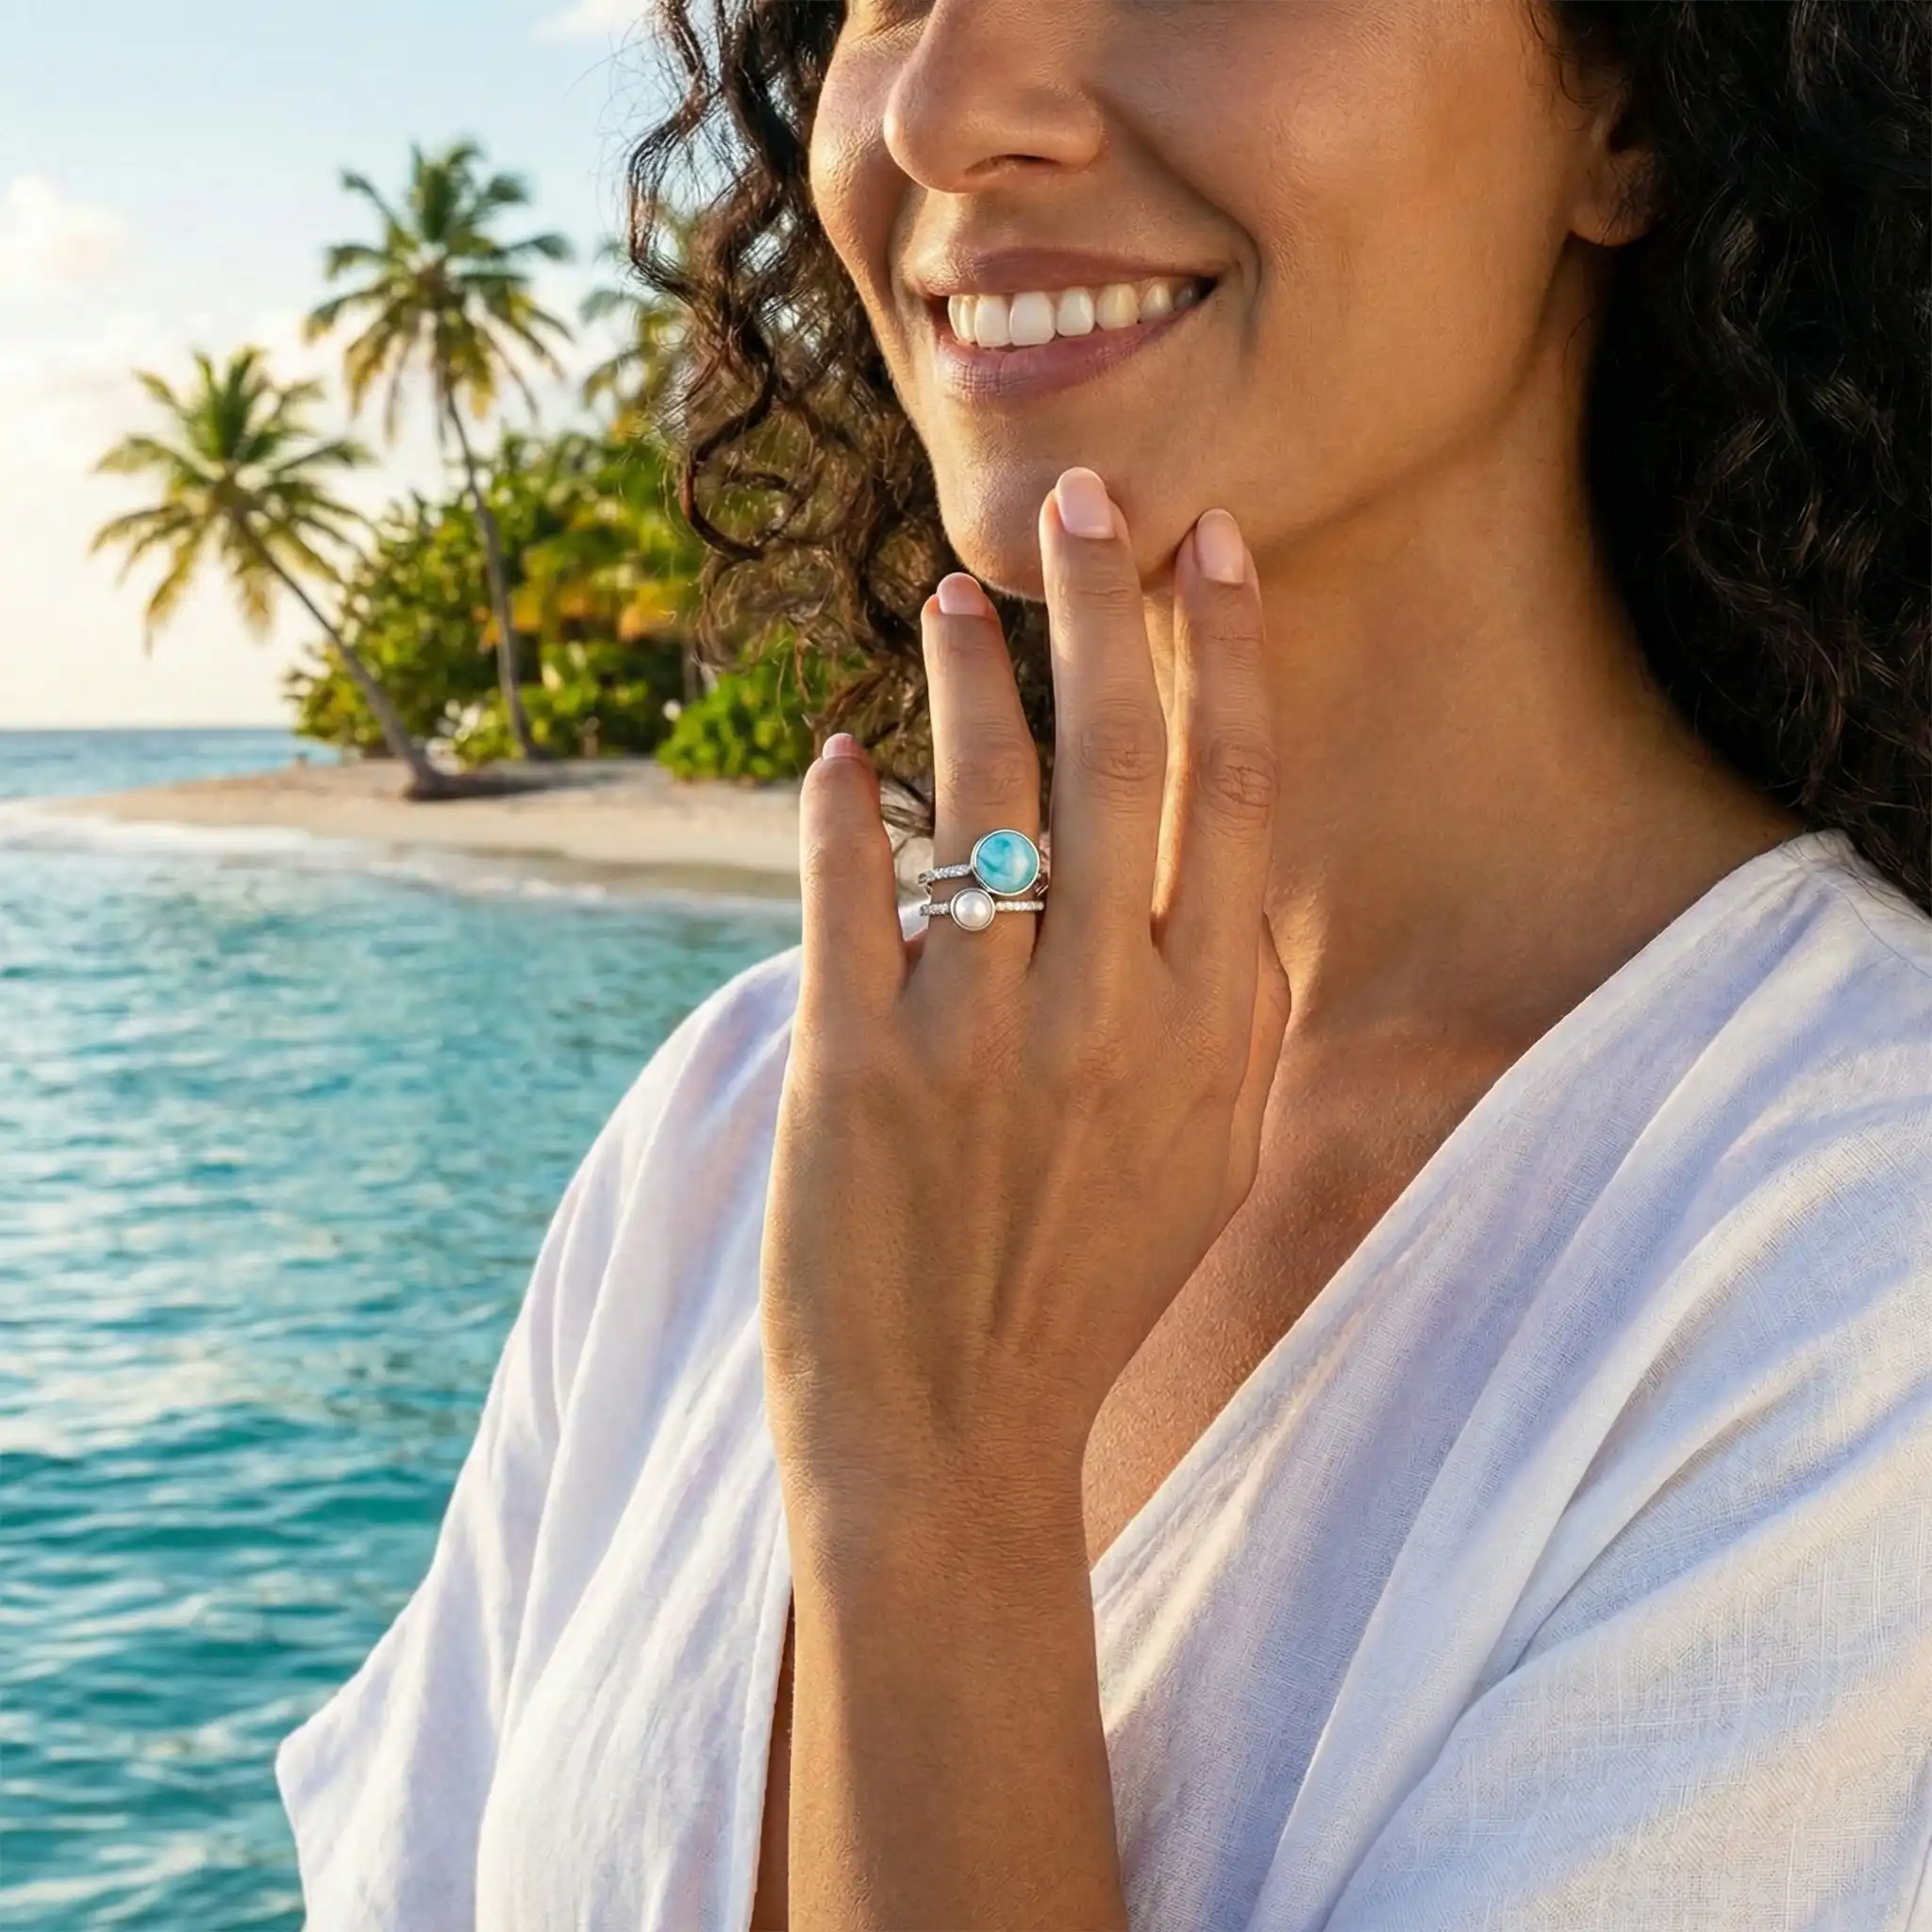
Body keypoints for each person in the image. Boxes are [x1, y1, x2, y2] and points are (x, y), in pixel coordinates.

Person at [276, 1, 1932, 1925]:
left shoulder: (1852, 1268)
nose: (950, 107)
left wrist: (944, 1482)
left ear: (1635, 101)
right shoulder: (739, 1112)